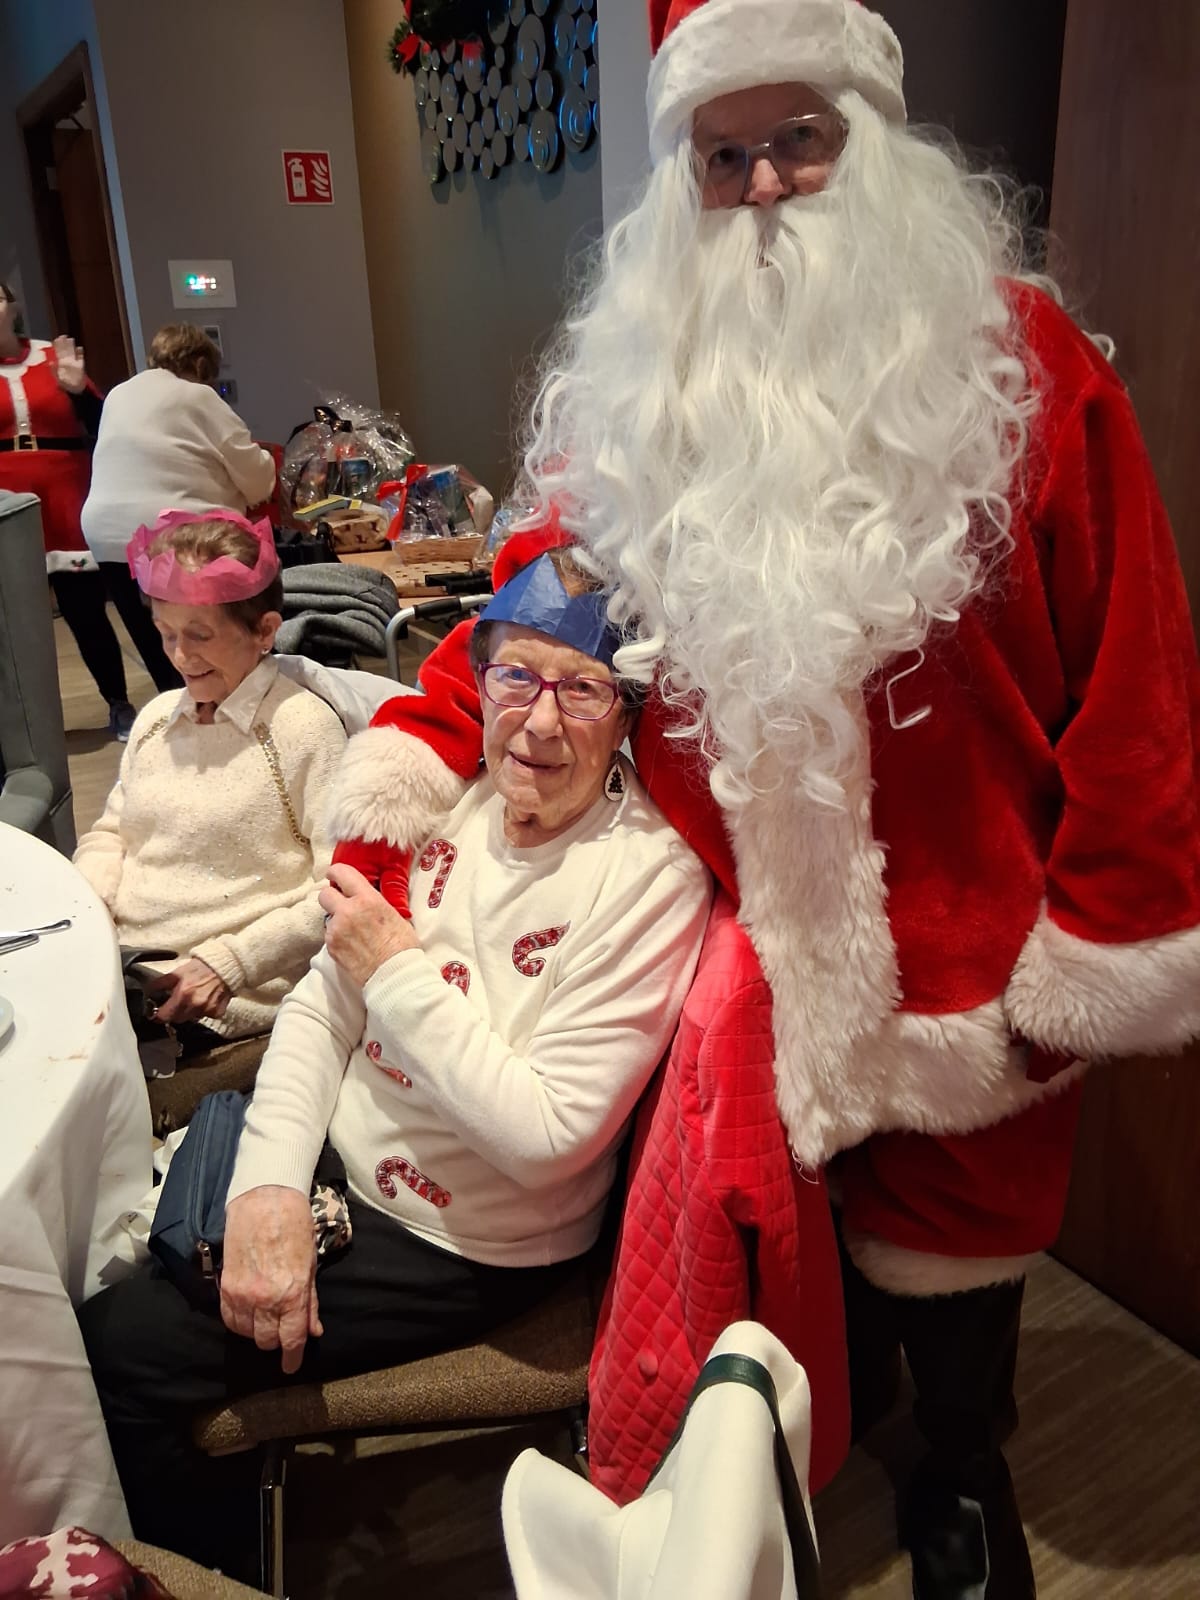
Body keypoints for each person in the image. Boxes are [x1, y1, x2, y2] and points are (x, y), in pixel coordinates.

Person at [327, 4, 1200, 1596]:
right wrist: (415, 748)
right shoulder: (643, 388)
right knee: (774, 1240)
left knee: (961, 1242)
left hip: (969, 950)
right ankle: (788, 1460)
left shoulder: (1025, 364)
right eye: (723, 157)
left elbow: (1137, 674)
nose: (765, 186)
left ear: (875, 144)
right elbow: (529, 613)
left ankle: (962, 1475)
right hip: (718, 942)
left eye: (800, 138)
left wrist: (1108, 930)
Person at [78, 543, 712, 1571]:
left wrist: (398, 971)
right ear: (481, 676)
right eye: (517, 676)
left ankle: (203, 1579)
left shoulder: (650, 876)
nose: (539, 722)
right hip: (341, 1158)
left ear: (628, 708)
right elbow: (323, 1006)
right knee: (125, 1264)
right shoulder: (452, 798)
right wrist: (271, 1186)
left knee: (118, 1351)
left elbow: (548, 1136)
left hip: (465, 1235)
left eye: (583, 689)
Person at [73, 509, 346, 1050]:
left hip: (218, 1003)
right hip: (120, 970)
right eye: (165, 633)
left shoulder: (302, 729)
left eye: (199, 635)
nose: (179, 655)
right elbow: (111, 834)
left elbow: (342, 890)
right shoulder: (157, 719)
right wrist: (90, 905)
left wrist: (229, 964)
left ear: (265, 630)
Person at [81, 323, 276, 698]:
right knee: (209, 646)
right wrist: (266, 463)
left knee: (163, 650)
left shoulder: (119, 394)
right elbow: (256, 479)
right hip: (173, 536)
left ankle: (179, 714)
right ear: (200, 365)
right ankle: (232, 712)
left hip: (107, 534)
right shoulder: (197, 396)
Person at [0, 279, 142, 741]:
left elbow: (102, 423)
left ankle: (119, 703)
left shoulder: (52, 357)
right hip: (5, 506)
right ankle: (23, 730)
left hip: (65, 496)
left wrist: (79, 390)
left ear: (12, 307)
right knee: (12, 627)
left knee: (86, 613)